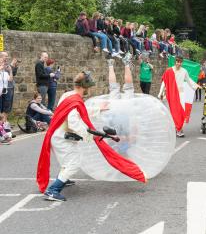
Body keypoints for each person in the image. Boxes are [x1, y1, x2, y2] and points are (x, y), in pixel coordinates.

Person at [37, 69, 146, 202]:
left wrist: (99, 109)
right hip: (62, 138)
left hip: (59, 134)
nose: (90, 89)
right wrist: (89, 136)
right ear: (84, 86)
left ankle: (64, 178)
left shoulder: (69, 96)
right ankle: (53, 190)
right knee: (74, 163)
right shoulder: (75, 99)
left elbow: (80, 111)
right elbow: (73, 121)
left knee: (70, 158)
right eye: (89, 87)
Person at [158, 56, 200, 137]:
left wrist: (196, 86)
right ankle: (177, 129)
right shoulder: (169, 71)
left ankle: (179, 128)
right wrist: (160, 93)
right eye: (177, 62)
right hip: (171, 94)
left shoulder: (184, 71)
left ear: (182, 63)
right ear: (175, 62)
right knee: (173, 112)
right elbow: (164, 82)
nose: (179, 63)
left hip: (181, 94)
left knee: (181, 112)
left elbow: (189, 81)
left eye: (180, 62)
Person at [0, 51, 14, 122]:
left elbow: (10, 79)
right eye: (5, 56)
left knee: (5, 108)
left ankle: (3, 124)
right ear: (1, 57)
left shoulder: (6, 69)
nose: (7, 58)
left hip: (5, 90)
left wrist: (10, 71)